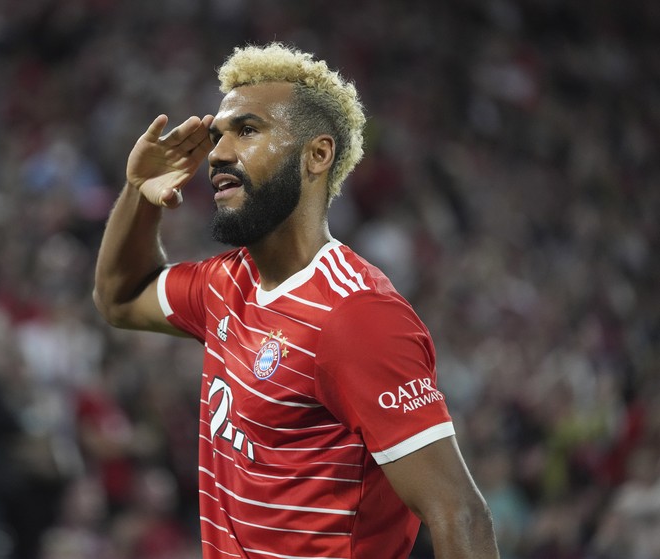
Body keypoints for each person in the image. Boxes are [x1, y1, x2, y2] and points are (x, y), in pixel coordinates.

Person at [93, 42, 499, 559]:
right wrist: (138, 192)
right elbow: (119, 298)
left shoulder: (356, 316)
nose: (216, 153)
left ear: (317, 154)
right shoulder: (226, 284)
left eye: (247, 130)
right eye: (218, 135)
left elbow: (460, 513)